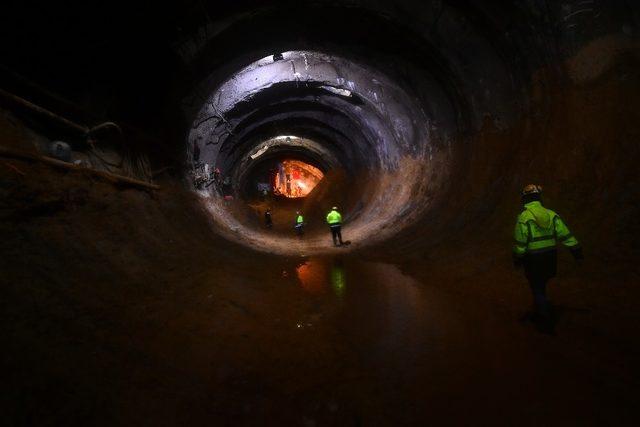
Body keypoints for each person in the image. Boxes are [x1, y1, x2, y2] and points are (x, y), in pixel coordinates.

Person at [512, 184, 583, 330]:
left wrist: (518, 258)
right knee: (542, 283)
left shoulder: (524, 217)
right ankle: (543, 307)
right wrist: (576, 252)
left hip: (533, 259)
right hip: (550, 256)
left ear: (524, 199)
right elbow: (565, 234)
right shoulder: (551, 214)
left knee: (536, 287)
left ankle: (544, 320)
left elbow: (520, 242)